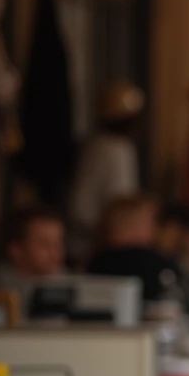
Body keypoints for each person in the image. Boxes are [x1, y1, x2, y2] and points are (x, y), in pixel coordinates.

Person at [68, 80, 144, 266]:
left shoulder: (97, 144)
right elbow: (121, 202)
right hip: (98, 241)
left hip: (89, 235)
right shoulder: (116, 149)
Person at [87, 195, 183, 302]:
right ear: (124, 225)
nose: (155, 227)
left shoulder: (95, 260)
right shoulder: (145, 260)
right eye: (149, 220)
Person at [0, 206, 65, 296]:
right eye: (44, 244)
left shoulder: (71, 283)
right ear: (16, 250)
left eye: (57, 244)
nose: (54, 253)